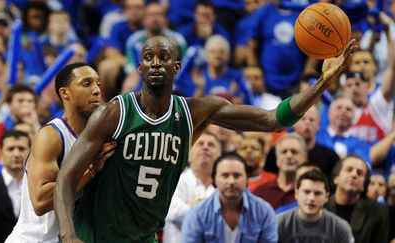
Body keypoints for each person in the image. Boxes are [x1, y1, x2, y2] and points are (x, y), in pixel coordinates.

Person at [54, 36, 357, 242]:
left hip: (144, 237)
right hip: (95, 235)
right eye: (148, 57)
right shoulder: (114, 113)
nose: (156, 62)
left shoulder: (196, 111)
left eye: (164, 57)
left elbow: (272, 120)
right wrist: (68, 235)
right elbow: (66, 176)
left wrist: (323, 82)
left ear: (177, 68)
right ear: (140, 68)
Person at [6, 63, 116, 243]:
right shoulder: (51, 136)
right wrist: (90, 171)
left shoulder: (101, 137)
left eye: (98, 84)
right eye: (87, 84)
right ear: (65, 93)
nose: (96, 90)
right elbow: (40, 202)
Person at [181, 152, 277, 243]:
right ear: (214, 180)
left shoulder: (264, 211)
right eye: (225, 175)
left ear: (247, 179)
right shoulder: (197, 213)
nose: (231, 181)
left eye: (237, 175)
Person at [164, 130, 221, 243]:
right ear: (188, 155)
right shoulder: (175, 179)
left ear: (220, 157)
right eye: (200, 144)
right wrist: (210, 214)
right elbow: (172, 213)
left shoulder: (222, 189)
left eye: (211, 145)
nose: (205, 147)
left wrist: (193, 206)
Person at [325, 155, 390, 243]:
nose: (354, 175)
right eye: (349, 170)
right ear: (336, 178)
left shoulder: (378, 212)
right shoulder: (321, 205)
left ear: (364, 185)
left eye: (359, 173)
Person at [277, 170, 354, 243]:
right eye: (306, 192)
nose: (311, 198)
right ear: (296, 194)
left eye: (317, 193)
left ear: (326, 197)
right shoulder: (279, 223)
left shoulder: (340, 228)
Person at [253, 133, 308, 210]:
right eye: (284, 152)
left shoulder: (311, 193)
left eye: (294, 152)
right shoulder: (260, 193)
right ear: (277, 158)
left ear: (305, 158)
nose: (289, 156)